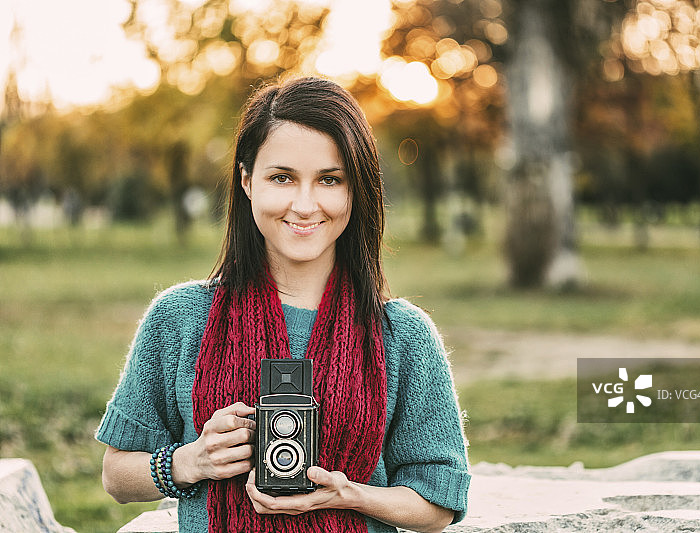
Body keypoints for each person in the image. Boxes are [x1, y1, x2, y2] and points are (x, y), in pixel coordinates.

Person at [96, 76, 470, 533]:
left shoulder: (403, 335)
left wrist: (349, 494)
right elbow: (116, 476)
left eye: (330, 179)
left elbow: (439, 503)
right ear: (247, 180)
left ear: (355, 190)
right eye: (282, 178)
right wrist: (192, 461)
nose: (305, 205)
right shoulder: (180, 317)